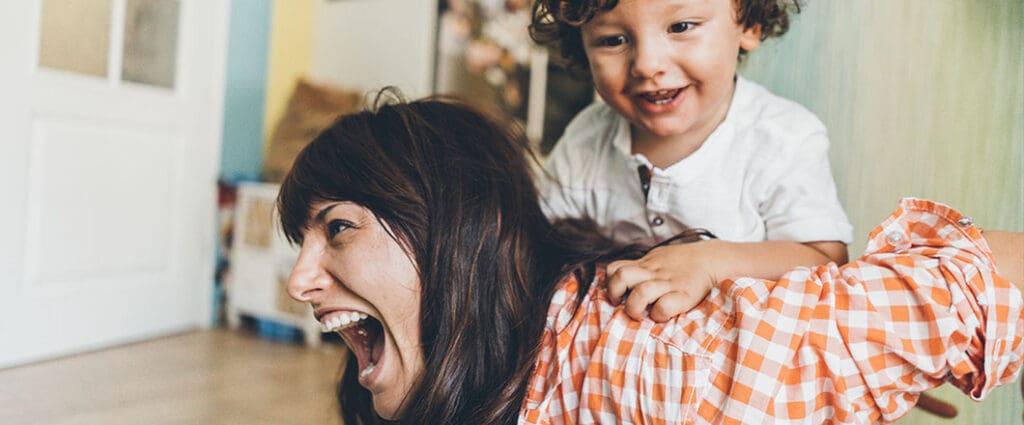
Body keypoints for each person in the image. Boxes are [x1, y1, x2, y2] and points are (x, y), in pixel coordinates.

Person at [279, 95, 1024, 425]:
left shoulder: (653, 365)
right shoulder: (583, 155)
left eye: (337, 228)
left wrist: (850, 362)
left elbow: (973, 278)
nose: (299, 280)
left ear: (454, 232)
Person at [529, 0, 853, 321]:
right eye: (613, 40)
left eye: (680, 27)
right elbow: (534, 237)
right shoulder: (586, 138)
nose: (646, 64)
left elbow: (826, 260)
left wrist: (711, 262)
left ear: (749, 23)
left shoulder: (784, 137)